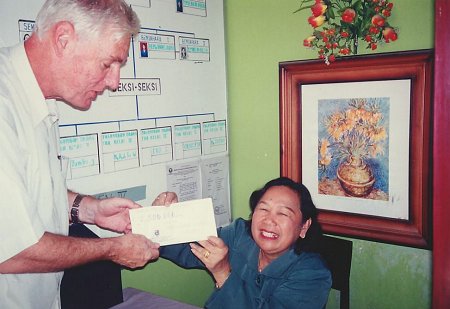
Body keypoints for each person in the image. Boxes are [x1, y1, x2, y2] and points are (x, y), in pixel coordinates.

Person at [0, 1, 167, 308]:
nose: (114, 83)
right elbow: (12, 250)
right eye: (108, 64)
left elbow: (27, 195)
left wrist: (89, 209)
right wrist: (111, 249)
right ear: (63, 39)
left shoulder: (37, 101)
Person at [160, 177, 332, 308]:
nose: (269, 221)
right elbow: (189, 248)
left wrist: (223, 274)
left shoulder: (313, 274)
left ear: (303, 226)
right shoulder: (239, 235)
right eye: (263, 209)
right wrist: (159, 220)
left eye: (283, 214)